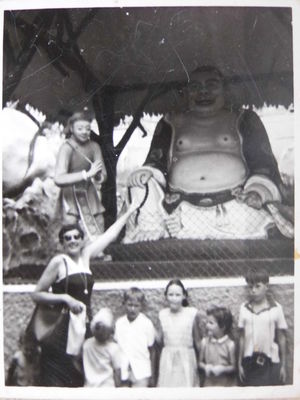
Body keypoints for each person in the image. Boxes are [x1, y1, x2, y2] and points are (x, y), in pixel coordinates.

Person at [124, 65, 285, 242]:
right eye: (195, 87)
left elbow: (263, 161)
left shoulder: (244, 118)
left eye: (212, 85)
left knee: (249, 217)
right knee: (140, 181)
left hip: (234, 204)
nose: (203, 92)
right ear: (186, 92)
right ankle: (160, 229)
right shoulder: (170, 121)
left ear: (225, 88)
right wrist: (148, 172)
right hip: (180, 205)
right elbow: (156, 160)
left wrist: (258, 191)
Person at [31, 201, 139, 387]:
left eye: (76, 237)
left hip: (84, 323)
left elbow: (110, 235)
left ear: (82, 240)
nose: (72, 241)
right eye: (67, 238)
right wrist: (65, 298)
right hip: (62, 326)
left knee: (80, 374)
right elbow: (37, 294)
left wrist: (128, 212)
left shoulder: (86, 256)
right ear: (63, 243)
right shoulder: (59, 261)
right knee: (59, 374)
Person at [55, 111, 107, 239]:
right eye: (80, 128)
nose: (84, 132)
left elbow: (103, 174)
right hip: (70, 194)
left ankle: (97, 253)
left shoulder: (94, 147)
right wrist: (86, 174)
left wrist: (98, 176)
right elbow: (59, 178)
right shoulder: (66, 148)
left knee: (98, 220)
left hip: (89, 192)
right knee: (71, 223)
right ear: (72, 129)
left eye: (88, 129)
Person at [238, 269, 287, 386]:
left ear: (266, 286)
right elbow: (241, 337)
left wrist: (283, 366)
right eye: (250, 287)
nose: (253, 291)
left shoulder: (276, 308)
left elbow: (281, 338)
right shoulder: (244, 308)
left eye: (257, 286)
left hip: (271, 361)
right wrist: (239, 364)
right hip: (249, 361)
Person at [156, 279, 201, 387]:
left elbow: (198, 342)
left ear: (184, 296)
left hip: (187, 359)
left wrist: (201, 364)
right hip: (167, 360)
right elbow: (159, 341)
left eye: (177, 295)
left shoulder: (191, 314)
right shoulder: (162, 315)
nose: (174, 298)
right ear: (166, 296)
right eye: (171, 295)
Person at [114, 287, 156, 387]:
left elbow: (152, 350)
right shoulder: (119, 323)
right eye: (129, 305)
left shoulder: (146, 323)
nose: (132, 309)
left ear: (141, 306)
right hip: (123, 371)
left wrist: (152, 375)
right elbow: (116, 348)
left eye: (136, 306)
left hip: (142, 371)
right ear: (124, 304)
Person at [83, 308, 125, 387]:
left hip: (89, 387)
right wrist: (118, 388)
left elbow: (77, 361)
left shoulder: (87, 344)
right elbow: (117, 372)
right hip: (107, 389)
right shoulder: (113, 348)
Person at [198, 307, 236, 387]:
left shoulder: (230, 345)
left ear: (222, 327)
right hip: (209, 384)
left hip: (226, 384)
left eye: (211, 323)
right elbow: (200, 363)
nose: (207, 325)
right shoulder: (205, 342)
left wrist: (223, 369)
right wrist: (206, 367)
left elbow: (234, 367)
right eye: (207, 322)